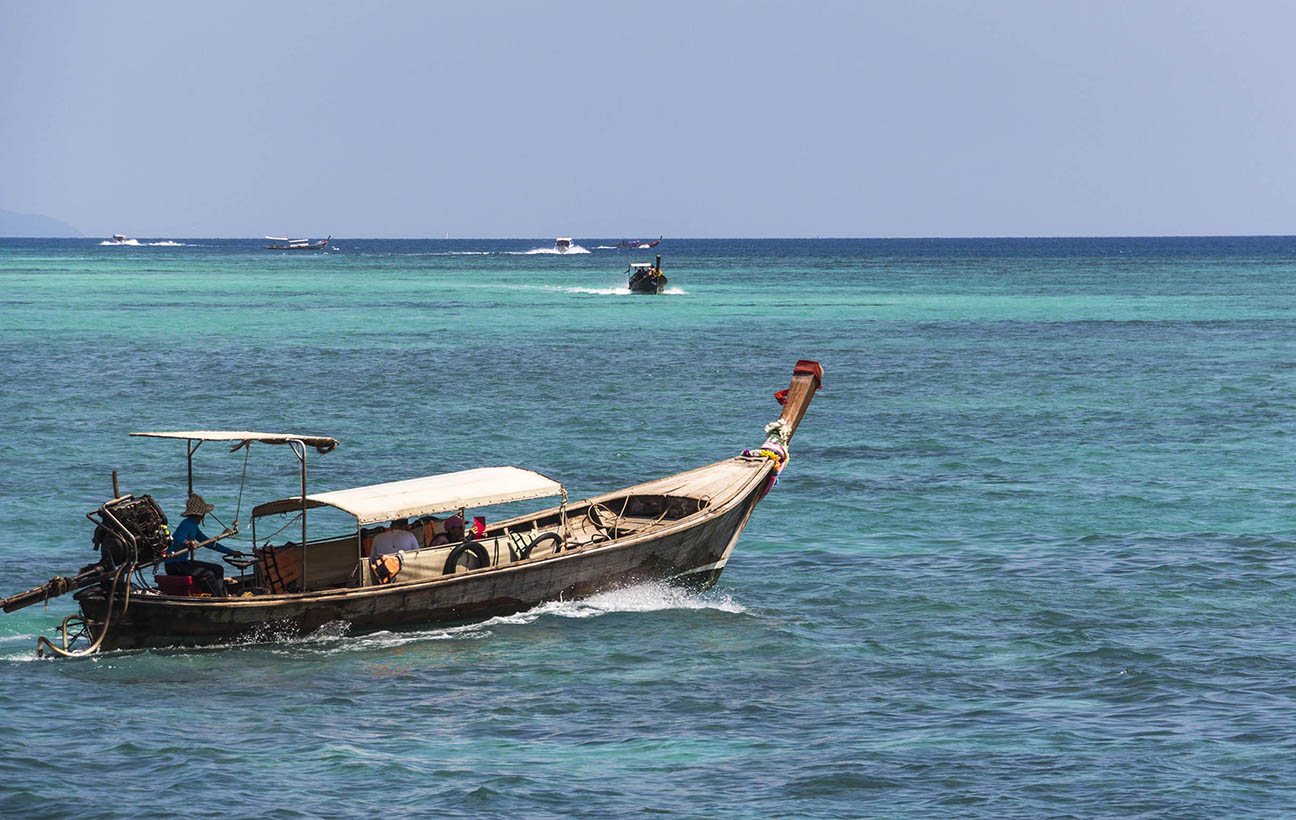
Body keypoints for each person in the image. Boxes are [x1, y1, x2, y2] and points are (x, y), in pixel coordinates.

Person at [165, 493, 238, 596]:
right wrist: (187, 543)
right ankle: (219, 598)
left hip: (183, 562)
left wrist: (230, 551)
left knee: (218, 569)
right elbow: (178, 538)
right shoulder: (187, 524)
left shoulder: (193, 525)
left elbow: (208, 543)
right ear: (202, 514)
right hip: (175, 564)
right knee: (208, 575)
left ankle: (220, 595)